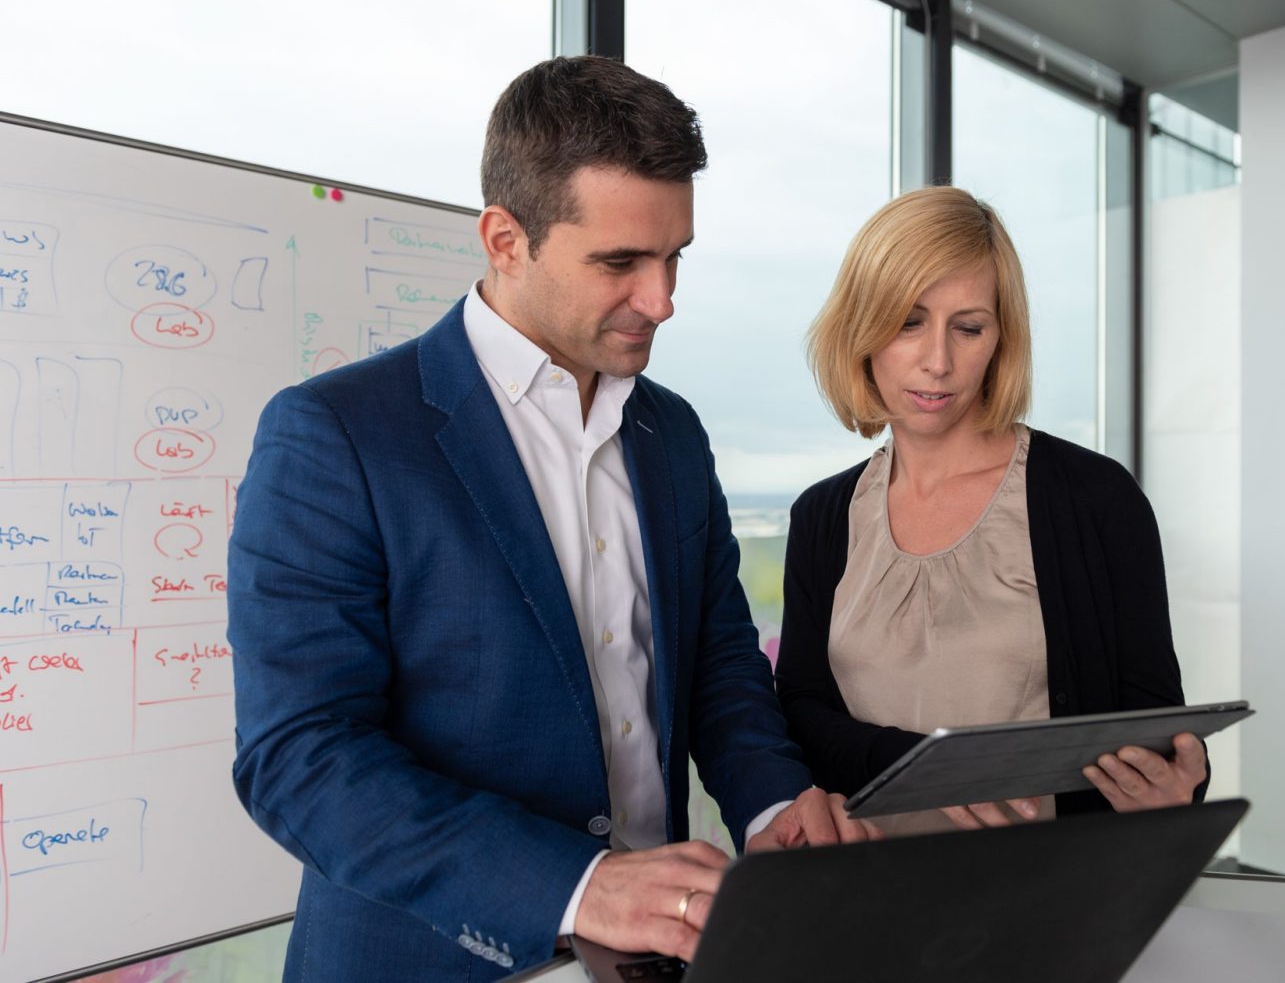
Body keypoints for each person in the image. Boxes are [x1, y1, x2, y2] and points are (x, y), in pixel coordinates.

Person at [228, 56, 872, 983]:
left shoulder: (672, 431)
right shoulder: (335, 434)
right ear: (504, 239)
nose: (662, 300)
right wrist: (576, 885)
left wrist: (775, 803)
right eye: (620, 262)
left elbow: (716, 660)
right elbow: (300, 756)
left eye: (674, 257)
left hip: (657, 960)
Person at [775, 185, 1207, 836]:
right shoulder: (822, 516)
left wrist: (1174, 788)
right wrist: (924, 765)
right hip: (862, 897)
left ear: (1001, 337)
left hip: (1048, 898)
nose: (938, 361)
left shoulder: (1096, 500)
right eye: (907, 322)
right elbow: (802, 715)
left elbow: (1152, 732)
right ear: (862, 329)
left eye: (968, 327)